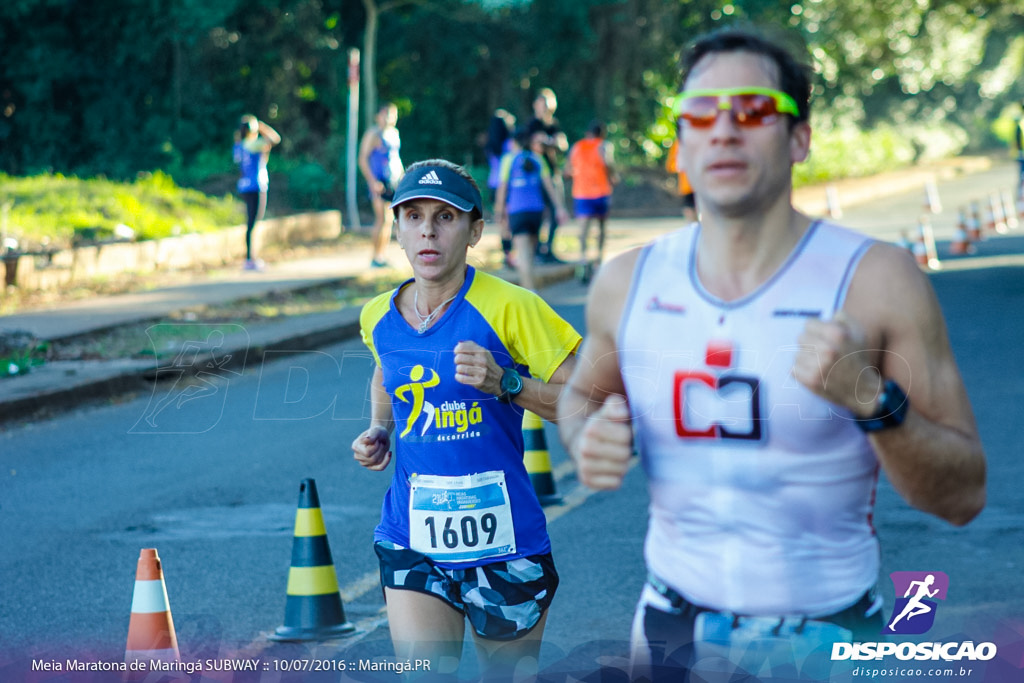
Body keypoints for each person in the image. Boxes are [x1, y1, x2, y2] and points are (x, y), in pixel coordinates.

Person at [556, 27, 986, 681]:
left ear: (800, 138)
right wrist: (587, 434)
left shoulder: (878, 280)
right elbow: (582, 396)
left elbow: (963, 496)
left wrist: (876, 403)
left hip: (832, 636)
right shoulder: (627, 283)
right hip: (672, 632)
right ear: (681, 142)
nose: (724, 130)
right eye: (701, 113)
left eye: (753, 109)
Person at [351, 159, 581, 680]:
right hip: (413, 538)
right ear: (398, 230)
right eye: (413, 216)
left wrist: (508, 384)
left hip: (505, 546)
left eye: (446, 217)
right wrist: (379, 428)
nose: (428, 230)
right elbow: (384, 373)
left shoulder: (510, 307)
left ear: (475, 231)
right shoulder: (377, 316)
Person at [494, 130, 569, 291]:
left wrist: (499, 212)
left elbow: (502, 189)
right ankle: (532, 290)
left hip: (517, 211)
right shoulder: (538, 159)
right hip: (536, 212)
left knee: (523, 255)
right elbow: (550, 186)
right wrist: (560, 208)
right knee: (530, 254)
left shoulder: (509, 159)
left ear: (514, 142)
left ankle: (530, 293)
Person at [565, 119, 618, 263]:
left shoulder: (577, 147)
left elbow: (567, 170)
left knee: (583, 229)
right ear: (602, 134)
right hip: (601, 192)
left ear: (587, 133)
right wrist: (613, 176)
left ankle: (583, 257)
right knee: (601, 226)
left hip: (582, 193)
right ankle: (599, 257)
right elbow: (609, 164)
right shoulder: (604, 146)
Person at [358, 102, 404, 268]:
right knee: (381, 218)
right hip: (378, 182)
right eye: (386, 114)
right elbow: (362, 159)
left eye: (392, 114)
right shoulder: (373, 134)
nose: (389, 118)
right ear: (378, 116)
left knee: (389, 220)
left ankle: (381, 255)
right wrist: (372, 181)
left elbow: (396, 158)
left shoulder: (394, 133)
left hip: (394, 181)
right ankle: (374, 256)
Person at [525, 88, 569, 262]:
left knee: (556, 211)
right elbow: (531, 145)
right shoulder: (531, 125)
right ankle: (537, 251)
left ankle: (548, 249)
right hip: (536, 176)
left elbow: (562, 145)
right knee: (539, 212)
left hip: (551, 172)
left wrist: (551, 142)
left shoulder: (553, 125)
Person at [233, 114, 281, 271]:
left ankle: (250, 258)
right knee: (253, 222)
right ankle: (250, 259)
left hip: (245, 186)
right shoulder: (253, 144)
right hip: (256, 185)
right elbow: (275, 139)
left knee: (251, 222)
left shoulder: (239, 145)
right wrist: (263, 127)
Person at [485, 108, 517, 268]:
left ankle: (506, 254)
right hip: (508, 185)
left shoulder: (490, 145)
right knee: (510, 220)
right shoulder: (510, 144)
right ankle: (512, 254)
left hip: (493, 183)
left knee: (502, 222)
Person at [665, 138, 698, 224]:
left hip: (694, 184)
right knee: (691, 210)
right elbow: (671, 166)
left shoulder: (679, 144)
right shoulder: (678, 144)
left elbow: (671, 166)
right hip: (689, 185)